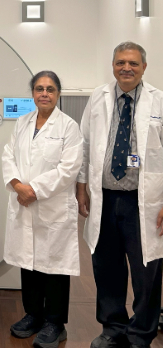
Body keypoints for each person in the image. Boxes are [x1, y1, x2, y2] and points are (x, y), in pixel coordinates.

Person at [77, 41, 163, 348]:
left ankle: (141, 334)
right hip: (106, 197)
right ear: (113, 65)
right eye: (120, 62)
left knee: (146, 272)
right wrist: (81, 186)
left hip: (143, 201)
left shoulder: (159, 101)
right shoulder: (98, 98)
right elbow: (85, 144)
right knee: (106, 266)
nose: (126, 68)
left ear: (144, 67)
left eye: (133, 63)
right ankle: (112, 328)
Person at [2, 71, 83, 348]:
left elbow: (69, 169)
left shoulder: (69, 127)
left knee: (55, 266)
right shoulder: (23, 122)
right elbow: (8, 155)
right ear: (33, 94)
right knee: (29, 262)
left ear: (58, 93)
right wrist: (16, 184)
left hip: (52, 206)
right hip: (24, 203)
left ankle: (55, 323)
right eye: (39, 88)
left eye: (50, 89)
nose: (44, 93)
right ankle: (33, 315)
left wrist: (32, 190)